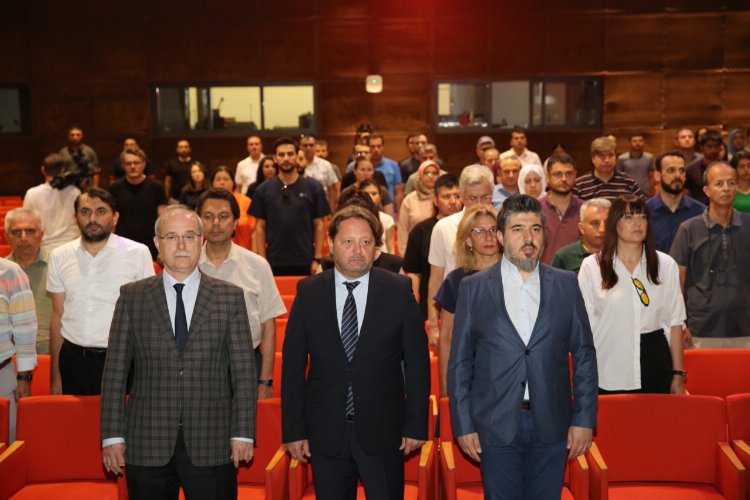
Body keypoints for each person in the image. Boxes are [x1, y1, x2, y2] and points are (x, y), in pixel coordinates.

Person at [448, 195, 598, 500]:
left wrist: (584, 419)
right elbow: (460, 363)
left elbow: (584, 354)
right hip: (494, 423)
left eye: (535, 229)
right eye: (517, 229)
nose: (528, 237)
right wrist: (463, 425)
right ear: (501, 237)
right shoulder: (474, 288)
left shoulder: (566, 284)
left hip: (552, 422)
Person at [101, 205, 256, 499]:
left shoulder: (229, 297)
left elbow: (244, 374)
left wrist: (243, 432)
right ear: (157, 244)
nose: (181, 244)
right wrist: (112, 435)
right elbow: (114, 373)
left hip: (213, 441)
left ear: (201, 241)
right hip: (147, 440)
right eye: (171, 237)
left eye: (189, 236)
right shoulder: (132, 296)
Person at [282, 205, 429, 499]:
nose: (357, 250)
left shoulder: (398, 289)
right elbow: (293, 368)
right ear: (331, 244)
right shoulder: (309, 292)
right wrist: (294, 430)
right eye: (348, 242)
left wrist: (416, 425)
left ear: (376, 248)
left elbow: (417, 364)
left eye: (365, 242)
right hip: (326, 431)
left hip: (384, 431)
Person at [47, 188, 154, 395]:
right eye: (85, 212)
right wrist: (55, 376)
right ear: (75, 218)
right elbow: (58, 316)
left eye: (101, 211)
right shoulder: (59, 255)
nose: (92, 219)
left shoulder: (138, 253)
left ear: (115, 217)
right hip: (73, 361)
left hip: (122, 360)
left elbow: (146, 316)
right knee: (74, 417)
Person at [579, 196, 687, 395]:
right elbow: (584, 327)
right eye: (629, 217)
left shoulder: (665, 264)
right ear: (614, 224)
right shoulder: (592, 266)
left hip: (655, 360)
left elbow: (675, 322)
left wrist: (678, 374)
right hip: (609, 363)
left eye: (642, 217)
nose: (638, 223)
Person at [196, 188, 286, 399]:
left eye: (223, 216)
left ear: (236, 222)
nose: (216, 223)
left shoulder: (257, 265)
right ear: (198, 222)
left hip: (246, 363)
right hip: (198, 367)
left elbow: (269, 327)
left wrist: (265, 380)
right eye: (208, 216)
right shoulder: (187, 266)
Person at [670, 161, 750, 347]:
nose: (726, 188)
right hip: (701, 329)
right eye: (719, 183)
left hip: (745, 328)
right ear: (706, 190)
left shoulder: (748, 225)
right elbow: (677, 281)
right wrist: (680, 323)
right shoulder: (688, 229)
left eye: (731, 183)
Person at [436, 205, 500, 396]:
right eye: (479, 231)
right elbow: (446, 337)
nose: (488, 237)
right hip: (470, 379)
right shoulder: (456, 281)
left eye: (494, 229)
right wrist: (446, 390)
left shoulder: (516, 275)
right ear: (468, 240)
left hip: (509, 377)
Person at [427, 165, 494, 345]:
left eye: (485, 197)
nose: (479, 203)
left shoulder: (502, 225)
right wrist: (433, 324)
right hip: (455, 310)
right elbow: (436, 279)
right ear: (462, 196)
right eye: (472, 198)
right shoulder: (443, 228)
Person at [250, 137, 330, 275]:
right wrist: (263, 261)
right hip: (273, 261)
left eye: (290, 154)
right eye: (281, 155)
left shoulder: (313, 187)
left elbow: (319, 225)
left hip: (306, 260)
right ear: (275, 158)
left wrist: (317, 259)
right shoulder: (262, 190)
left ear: (297, 156)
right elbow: (259, 227)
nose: (286, 158)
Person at [403, 173, 462, 319]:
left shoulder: (471, 227)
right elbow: (414, 272)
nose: (453, 201)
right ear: (435, 200)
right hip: (431, 306)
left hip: (463, 303)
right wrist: (413, 305)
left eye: (457, 196)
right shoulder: (421, 231)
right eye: (446, 196)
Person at [4, 208, 51, 354]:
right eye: (16, 232)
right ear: (7, 237)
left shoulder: (58, 267)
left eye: (30, 231)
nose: (23, 237)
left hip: (50, 350)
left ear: (41, 234)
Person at [108, 147, 168, 260]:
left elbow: (164, 220)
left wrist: (163, 247)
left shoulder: (156, 187)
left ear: (144, 164)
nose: (132, 166)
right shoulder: (114, 188)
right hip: (122, 247)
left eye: (136, 163)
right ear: (123, 166)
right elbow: (111, 221)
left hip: (151, 247)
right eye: (128, 163)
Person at [0, 259, 37, 442]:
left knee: (6, 447)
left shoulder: (10, 272)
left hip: (2, 377)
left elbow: (25, 328)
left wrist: (24, 377)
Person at [646, 151, 705, 253]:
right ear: (658, 176)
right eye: (671, 170)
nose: (678, 175)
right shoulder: (644, 211)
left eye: (681, 171)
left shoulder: (700, 211)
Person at [23, 153, 81, 253]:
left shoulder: (32, 193)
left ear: (43, 170)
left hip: (44, 249)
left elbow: (26, 223)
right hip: (71, 247)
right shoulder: (75, 192)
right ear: (63, 170)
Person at [540, 154, 584, 264]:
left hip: (577, 272)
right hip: (543, 272)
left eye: (569, 174)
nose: (564, 179)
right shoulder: (535, 209)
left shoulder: (585, 210)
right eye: (558, 174)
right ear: (547, 177)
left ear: (575, 175)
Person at [552, 198, 611, 274]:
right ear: (581, 228)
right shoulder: (564, 256)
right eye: (595, 223)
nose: (602, 229)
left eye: (608, 223)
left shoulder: (620, 254)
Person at [574, 137, 645, 201]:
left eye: (611, 155)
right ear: (593, 159)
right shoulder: (579, 185)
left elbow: (642, 206)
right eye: (602, 156)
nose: (607, 160)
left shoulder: (629, 182)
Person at [397, 160, 440, 255]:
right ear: (420, 175)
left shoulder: (442, 198)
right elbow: (403, 229)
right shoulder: (409, 199)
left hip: (439, 250)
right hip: (415, 251)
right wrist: (404, 255)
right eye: (427, 173)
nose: (431, 176)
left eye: (434, 173)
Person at [211, 166, 255, 252]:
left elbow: (255, 231)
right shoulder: (205, 203)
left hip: (244, 251)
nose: (222, 182)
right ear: (212, 183)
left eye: (226, 179)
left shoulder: (246, 201)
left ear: (233, 182)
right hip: (214, 253)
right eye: (218, 179)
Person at [301, 134, 340, 212]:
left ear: (315, 146)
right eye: (305, 145)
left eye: (311, 145)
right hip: (302, 206)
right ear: (300, 147)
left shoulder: (326, 165)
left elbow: (332, 189)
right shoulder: (296, 165)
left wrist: (331, 210)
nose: (308, 148)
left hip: (322, 205)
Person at [368, 133, 404, 214]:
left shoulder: (393, 165)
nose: (376, 149)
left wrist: (398, 214)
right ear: (368, 148)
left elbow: (398, 193)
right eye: (373, 147)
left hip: (388, 211)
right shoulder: (360, 167)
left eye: (379, 146)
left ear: (383, 147)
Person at [685, 130, 723, 204]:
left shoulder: (728, 168)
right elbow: (685, 196)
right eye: (709, 146)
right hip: (698, 209)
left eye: (716, 146)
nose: (713, 150)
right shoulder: (690, 169)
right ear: (702, 147)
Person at [359, 179, 395, 254]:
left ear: (380, 196)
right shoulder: (353, 219)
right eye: (366, 194)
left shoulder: (387, 219)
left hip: (383, 258)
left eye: (374, 193)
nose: (370, 197)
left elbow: (391, 248)